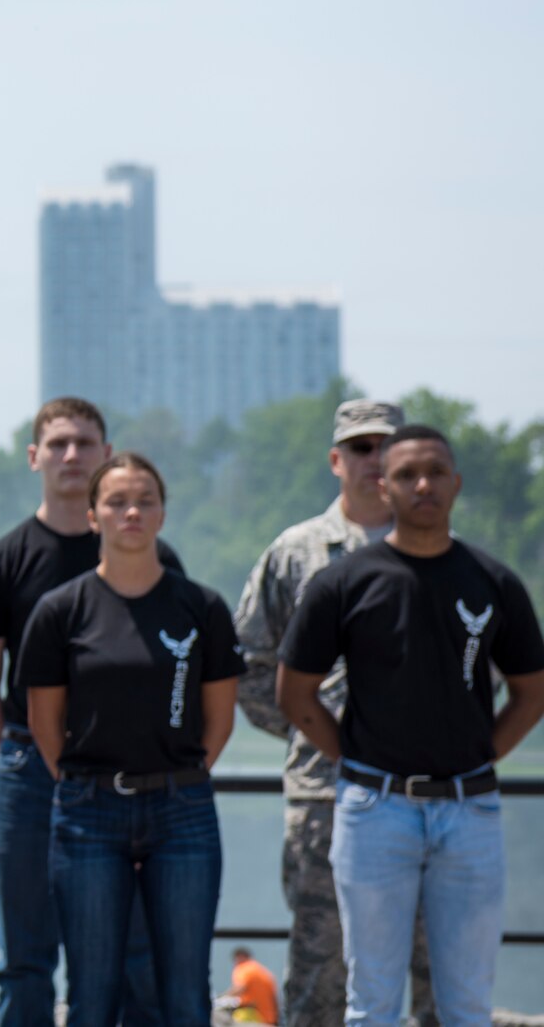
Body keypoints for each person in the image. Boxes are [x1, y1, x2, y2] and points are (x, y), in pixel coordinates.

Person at [278, 425, 544, 1027]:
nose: (422, 485)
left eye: (435, 472)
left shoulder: (493, 581)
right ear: (383, 485)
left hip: (470, 812)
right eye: (405, 474)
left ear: (456, 482)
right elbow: (294, 692)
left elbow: (532, 693)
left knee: (467, 1005)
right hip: (375, 810)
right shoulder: (344, 582)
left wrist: (480, 754)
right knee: (370, 1003)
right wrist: (350, 757)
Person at [0, 399, 179, 1027]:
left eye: (85, 443)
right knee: (27, 955)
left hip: (131, 779)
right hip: (31, 771)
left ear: (107, 455)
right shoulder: (4, 563)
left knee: (137, 949)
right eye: (57, 444)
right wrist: (29, 749)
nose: (71, 455)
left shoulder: (150, 559)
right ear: (34, 457)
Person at [233, 399, 438, 1027]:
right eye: (359, 448)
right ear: (335, 460)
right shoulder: (296, 551)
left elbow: (477, 673)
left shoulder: (437, 549)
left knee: (436, 970)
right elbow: (249, 667)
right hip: (326, 794)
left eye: (385, 447)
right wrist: (316, 734)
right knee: (322, 971)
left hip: (429, 793)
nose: (373, 461)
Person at [18, 452, 241, 1027]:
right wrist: (85, 784)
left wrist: (177, 778)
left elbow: (219, 720)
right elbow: (46, 724)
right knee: (92, 994)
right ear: (93, 516)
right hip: (89, 813)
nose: (132, 512)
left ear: (163, 513)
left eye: (145, 500)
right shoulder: (59, 611)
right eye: (116, 501)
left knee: (187, 992)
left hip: (183, 812)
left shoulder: (202, 608)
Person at [218, 948, 279, 1024]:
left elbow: (240, 987)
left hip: (252, 1016)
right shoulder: (264, 972)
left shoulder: (244, 968)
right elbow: (274, 998)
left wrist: (222, 997)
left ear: (239, 957)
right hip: (269, 1019)